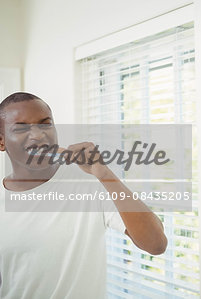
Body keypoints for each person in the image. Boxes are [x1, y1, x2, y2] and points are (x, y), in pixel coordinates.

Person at [0, 92, 167, 298]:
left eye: (45, 124)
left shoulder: (89, 183)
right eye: (21, 128)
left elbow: (156, 243)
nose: (37, 135)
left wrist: (104, 174)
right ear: (2, 141)